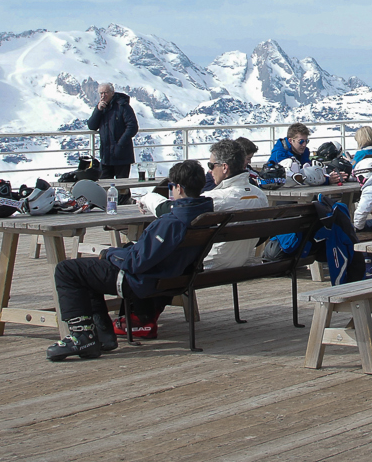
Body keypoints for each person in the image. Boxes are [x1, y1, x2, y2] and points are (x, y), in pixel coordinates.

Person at [47, 160, 215, 359]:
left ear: (178, 187)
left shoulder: (172, 222)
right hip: (172, 278)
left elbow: (136, 262)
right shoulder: (204, 216)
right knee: (89, 270)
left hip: (141, 281)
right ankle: (101, 335)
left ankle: (81, 336)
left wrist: (111, 253)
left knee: (68, 270)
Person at [203, 140, 268, 270]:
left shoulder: (212, 199)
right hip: (241, 261)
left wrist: (151, 197)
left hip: (210, 263)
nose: (210, 171)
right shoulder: (260, 195)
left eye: (211, 166)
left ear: (224, 167)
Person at [88, 83, 139, 179]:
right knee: (105, 186)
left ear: (112, 93)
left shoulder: (123, 106)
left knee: (122, 187)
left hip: (122, 155)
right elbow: (92, 126)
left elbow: (132, 126)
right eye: (101, 93)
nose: (103, 96)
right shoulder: (101, 108)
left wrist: (120, 144)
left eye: (105, 93)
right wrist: (98, 111)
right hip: (106, 156)